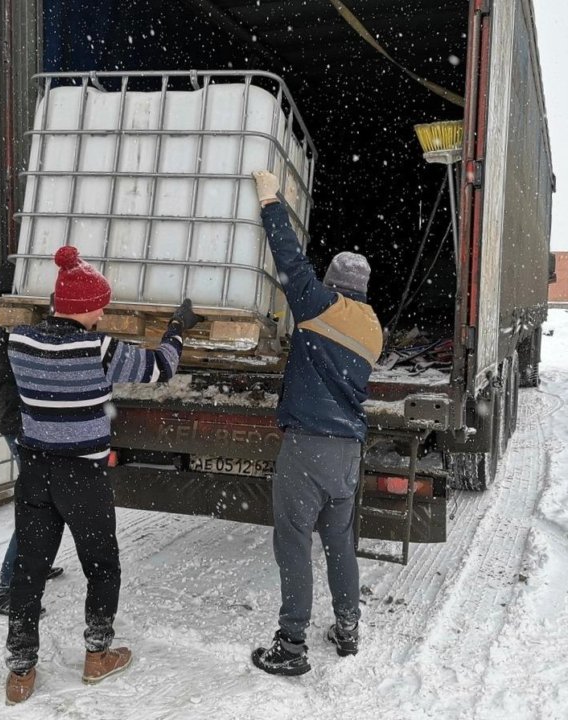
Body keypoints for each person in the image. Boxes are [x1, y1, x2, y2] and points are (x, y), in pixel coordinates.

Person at [3, 245, 202, 704]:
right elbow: (160, 368)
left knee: (29, 570)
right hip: (82, 476)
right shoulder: (100, 348)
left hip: (34, 470)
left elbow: (26, 331)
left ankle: (20, 673)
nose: (104, 311)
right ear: (88, 308)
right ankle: (97, 655)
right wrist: (177, 329)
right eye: (101, 305)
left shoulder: (19, 342)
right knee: (101, 564)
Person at [249, 171, 383, 676]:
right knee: (338, 545)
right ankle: (348, 630)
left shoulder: (317, 304)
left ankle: (291, 646)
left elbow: (287, 255)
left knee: (293, 544)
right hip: (348, 452)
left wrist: (270, 200)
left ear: (331, 283)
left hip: (307, 448)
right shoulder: (373, 329)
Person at [0, 260, 63, 617]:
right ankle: (7, 590)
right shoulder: (10, 323)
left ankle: (36, 566)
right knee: (37, 510)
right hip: (24, 427)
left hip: (18, 424)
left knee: (43, 505)